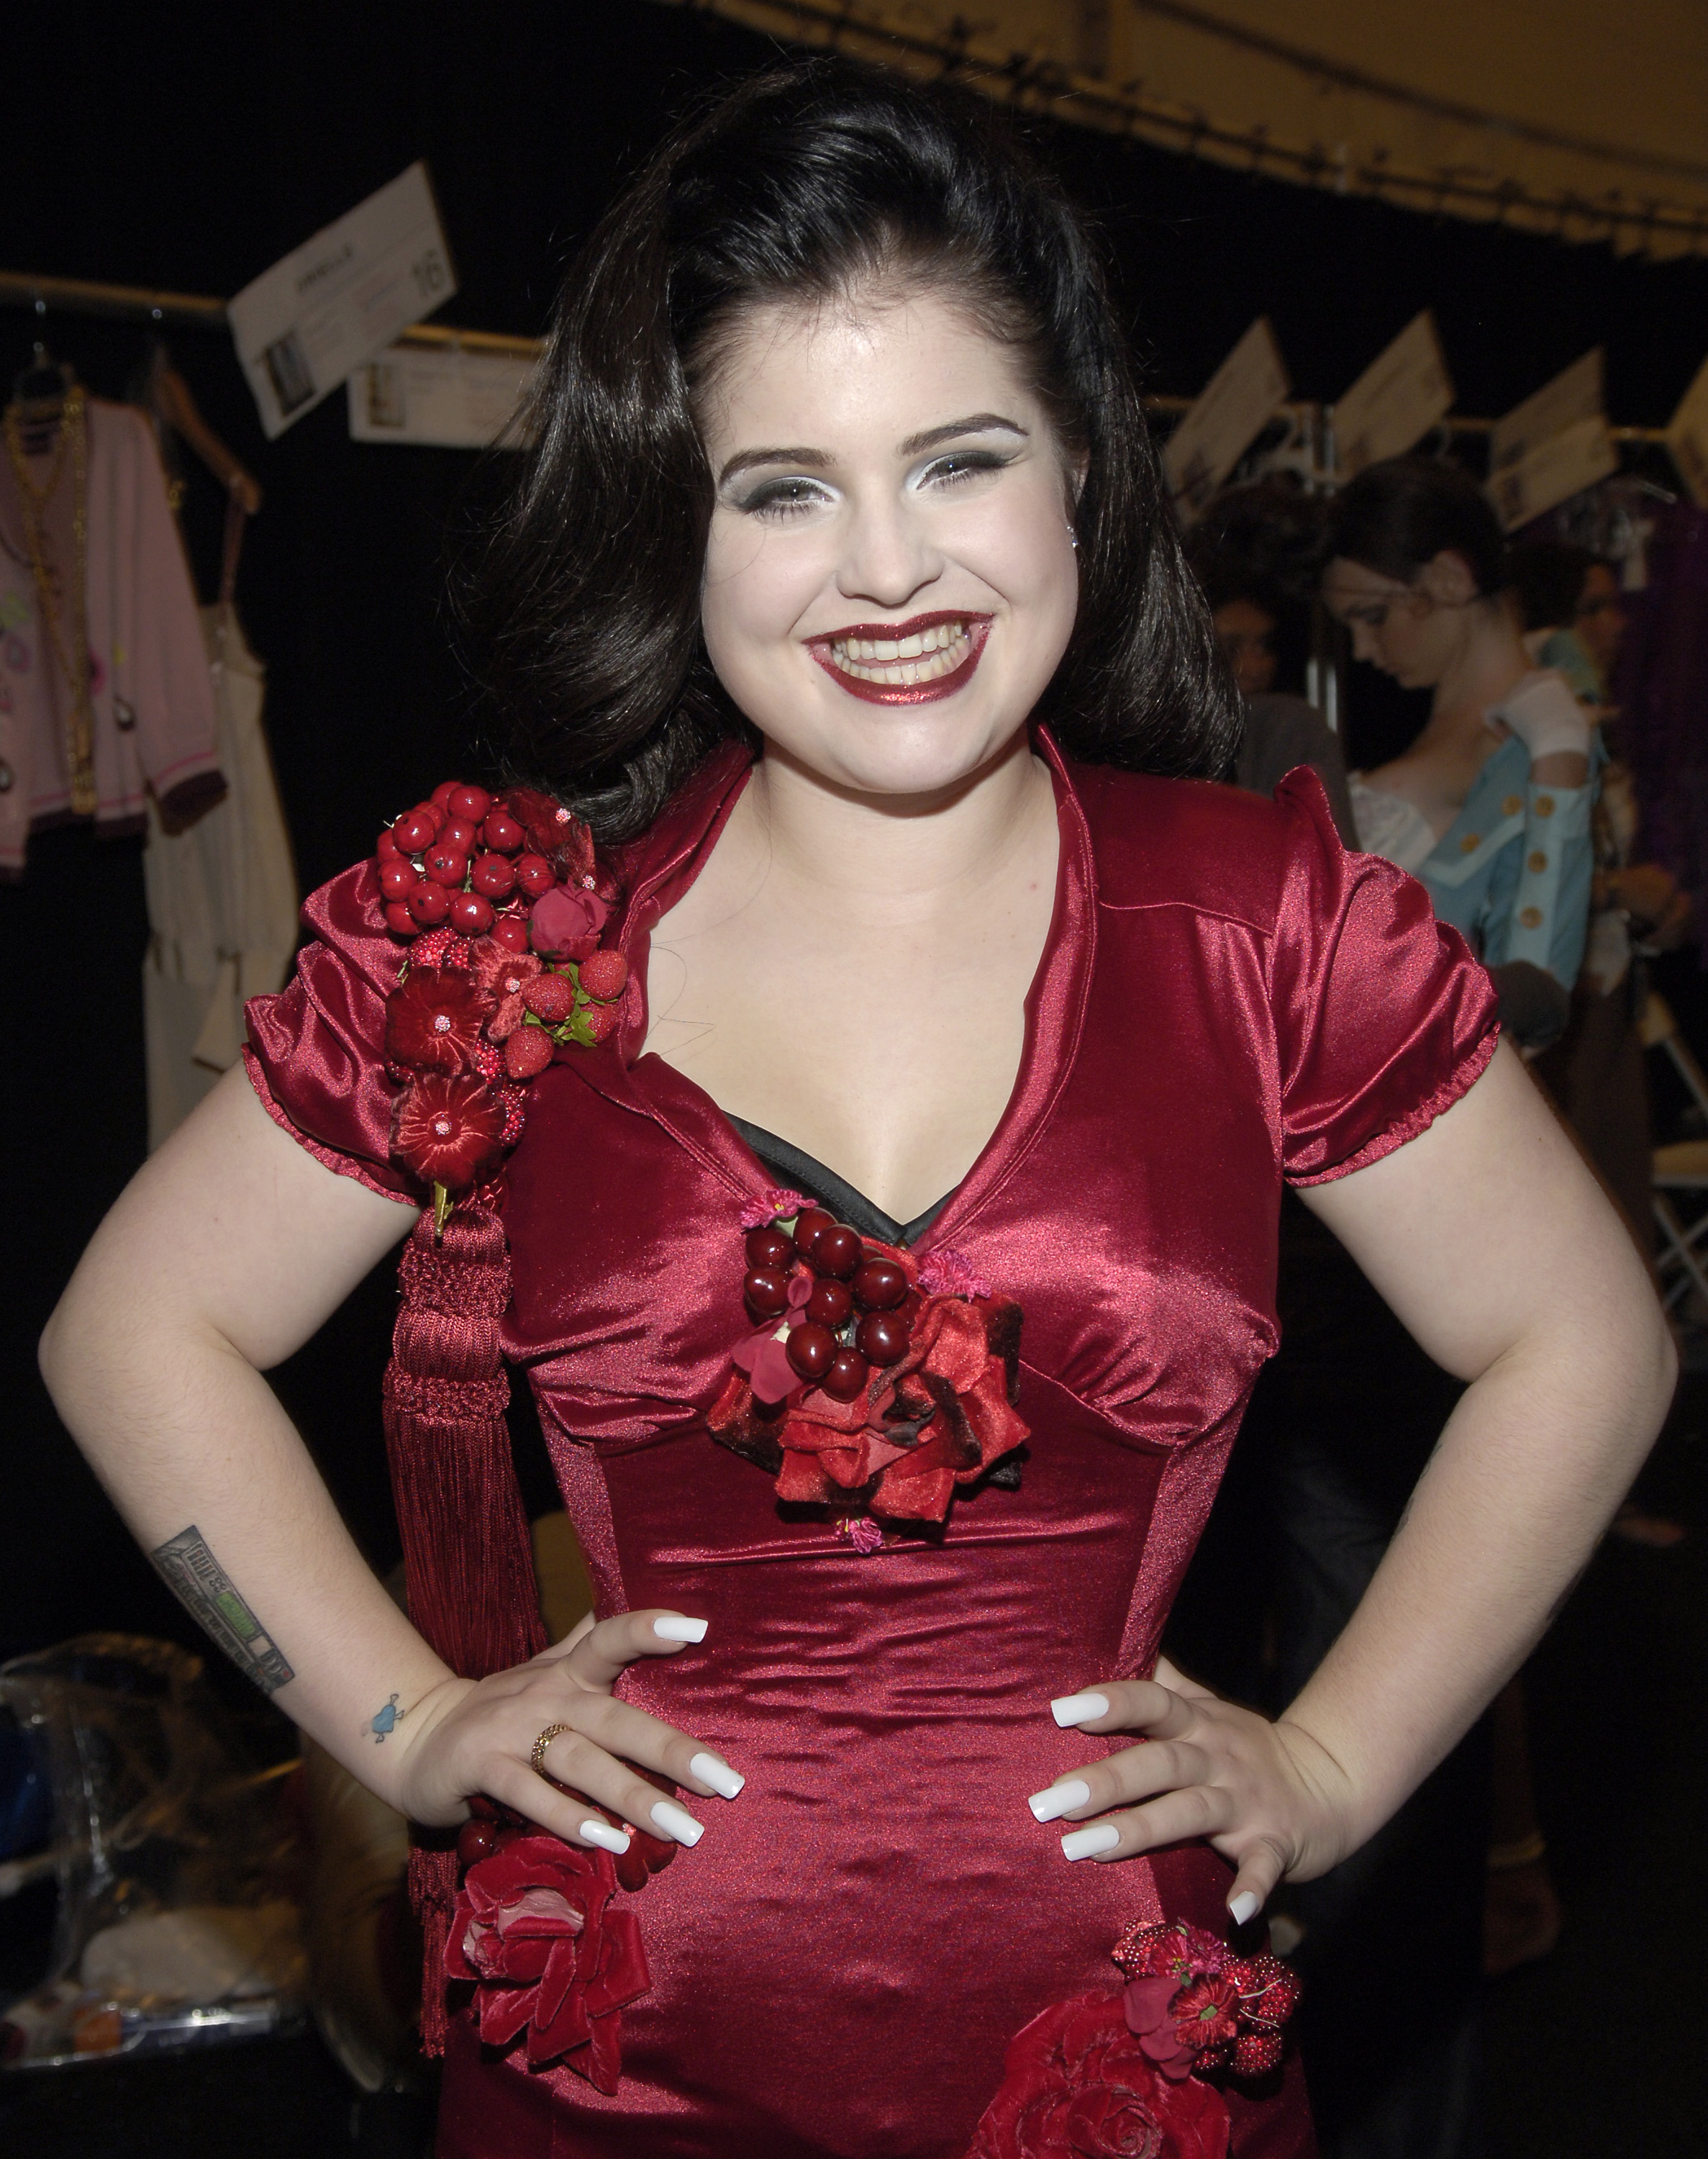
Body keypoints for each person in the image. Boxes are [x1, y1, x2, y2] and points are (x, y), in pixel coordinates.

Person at [38, 65, 1669, 2159]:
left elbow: (1582, 1339)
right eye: (779, 488)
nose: (880, 570)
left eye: (955, 461)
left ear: (1072, 467)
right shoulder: (507, 944)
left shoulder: (1259, 920)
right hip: (598, 2074)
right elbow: (132, 1329)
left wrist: (1336, 1764)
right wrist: (400, 1714)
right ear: (671, 517)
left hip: (1117, 2072)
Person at [1184, 486, 1357, 842]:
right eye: (1231, 648)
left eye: (1264, 644)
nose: (1257, 664)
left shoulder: (1286, 730)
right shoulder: (1141, 744)